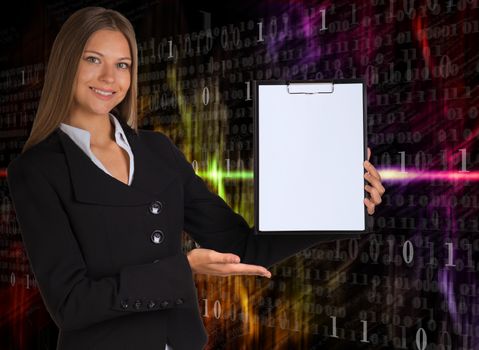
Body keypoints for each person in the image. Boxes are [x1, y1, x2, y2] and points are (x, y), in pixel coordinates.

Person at [6, 6, 385, 350]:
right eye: (93, 59)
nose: (110, 77)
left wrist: (340, 205)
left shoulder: (158, 150)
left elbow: (241, 245)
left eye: (123, 64)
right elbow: (72, 304)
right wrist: (182, 269)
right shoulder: (37, 170)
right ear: (66, 64)